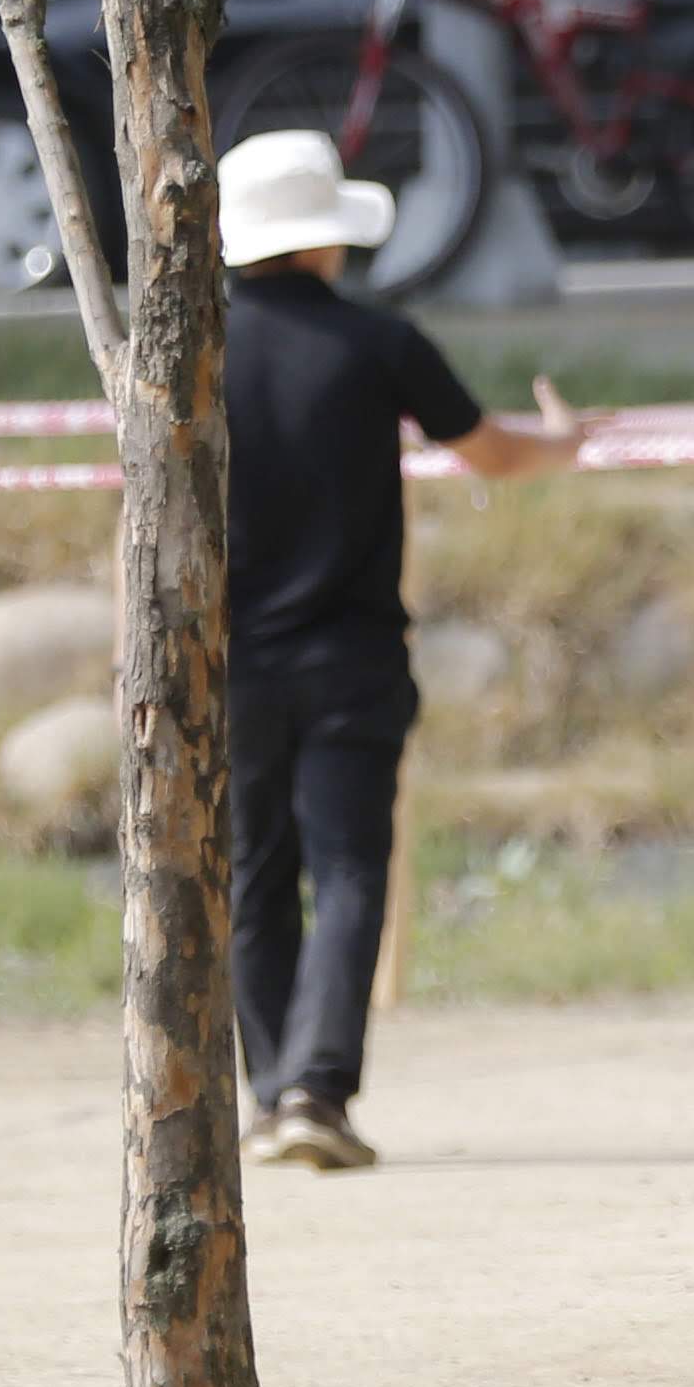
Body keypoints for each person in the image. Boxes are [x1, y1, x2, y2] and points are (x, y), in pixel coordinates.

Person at [219, 130, 584, 1172]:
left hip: (231, 662)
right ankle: (316, 1092)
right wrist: (569, 441)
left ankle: (265, 1091)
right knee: (345, 870)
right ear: (329, 239)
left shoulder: (194, 343)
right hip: (352, 659)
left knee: (254, 874)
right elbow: (495, 451)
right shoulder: (380, 346)